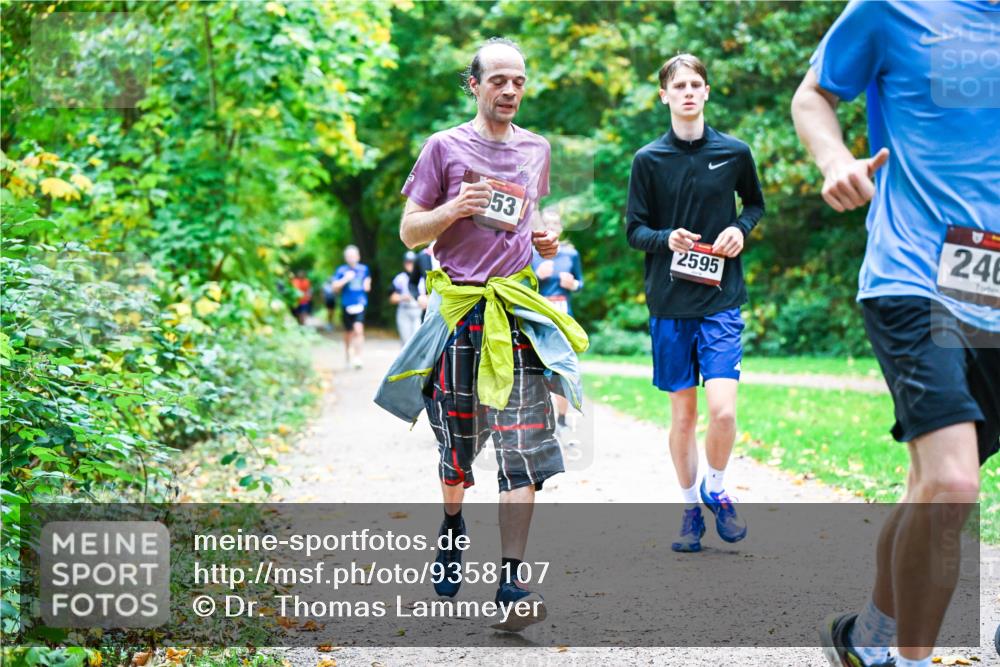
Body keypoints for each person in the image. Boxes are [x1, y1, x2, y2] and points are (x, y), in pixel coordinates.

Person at [791, 3, 999, 667]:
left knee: (928, 487)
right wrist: (834, 160)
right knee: (954, 481)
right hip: (916, 274)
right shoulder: (893, 8)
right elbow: (813, 95)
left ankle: (867, 638)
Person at [373, 37, 588, 632]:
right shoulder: (443, 147)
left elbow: (530, 218)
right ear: (474, 85)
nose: (510, 90)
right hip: (460, 310)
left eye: (518, 80)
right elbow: (411, 233)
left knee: (524, 448)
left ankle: (512, 581)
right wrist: (452, 209)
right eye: (498, 80)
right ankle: (451, 525)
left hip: (516, 310)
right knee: (457, 450)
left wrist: (544, 239)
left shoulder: (536, 150)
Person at [626, 53, 765, 553]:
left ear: (706, 92)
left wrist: (738, 229)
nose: (687, 91)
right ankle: (689, 508)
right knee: (683, 417)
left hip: (721, 300)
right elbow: (634, 230)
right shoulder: (648, 159)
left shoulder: (734, 152)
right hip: (669, 304)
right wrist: (667, 239)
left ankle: (717, 486)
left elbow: (755, 205)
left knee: (723, 413)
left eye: (696, 83)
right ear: (663, 95)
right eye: (678, 85)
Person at [531, 207, 584, 446]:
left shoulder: (570, 254)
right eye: (547, 223)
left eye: (555, 224)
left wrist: (573, 284)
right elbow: (519, 286)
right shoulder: (531, 253)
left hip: (564, 315)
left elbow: (580, 283)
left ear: (561, 228)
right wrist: (536, 276)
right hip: (539, 317)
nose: (551, 227)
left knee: (563, 370)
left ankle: (562, 423)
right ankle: (541, 424)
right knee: (539, 370)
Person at [332, 245, 371, 369]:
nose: (351, 258)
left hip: (360, 303)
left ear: (358, 256)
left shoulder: (364, 269)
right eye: (349, 256)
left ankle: (358, 357)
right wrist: (345, 279)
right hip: (346, 304)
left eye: (353, 256)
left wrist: (367, 284)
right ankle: (348, 355)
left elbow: (367, 283)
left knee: (359, 330)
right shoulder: (341, 270)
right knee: (349, 332)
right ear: (345, 258)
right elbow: (334, 288)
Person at [390, 250, 425, 345]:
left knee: (417, 340)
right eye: (408, 262)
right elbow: (391, 297)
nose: (410, 265)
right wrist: (402, 297)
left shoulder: (423, 278)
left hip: (418, 310)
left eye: (412, 262)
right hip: (404, 310)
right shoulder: (400, 278)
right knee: (406, 340)